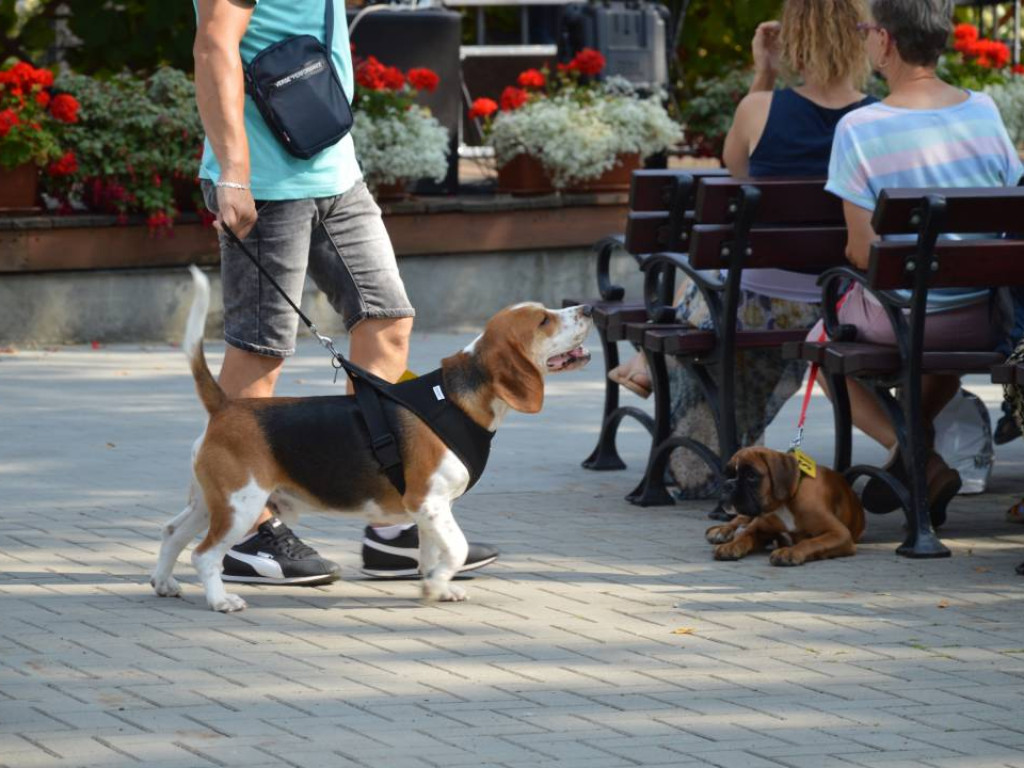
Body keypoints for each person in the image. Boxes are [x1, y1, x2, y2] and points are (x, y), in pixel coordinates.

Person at [192, 0, 498, 585]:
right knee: (262, 348)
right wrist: (232, 170)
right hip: (265, 179)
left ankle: (391, 525)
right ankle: (245, 528)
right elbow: (214, 44)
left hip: (334, 169)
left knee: (386, 320)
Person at [610, 0, 875, 504]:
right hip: (836, 305)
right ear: (863, 37)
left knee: (690, 294)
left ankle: (645, 362)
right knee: (704, 286)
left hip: (752, 306)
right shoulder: (875, 118)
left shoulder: (760, 109)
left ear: (796, 40)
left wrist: (764, 74)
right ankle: (646, 365)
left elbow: (734, 171)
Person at [810, 0, 1024, 513]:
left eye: (865, 31)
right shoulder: (985, 110)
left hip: (901, 320)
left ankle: (914, 454)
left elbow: (860, 250)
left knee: (817, 347)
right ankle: (916, 453)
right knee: (934, 346)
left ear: (885, 40)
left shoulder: (859, 128)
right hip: (982, 319)